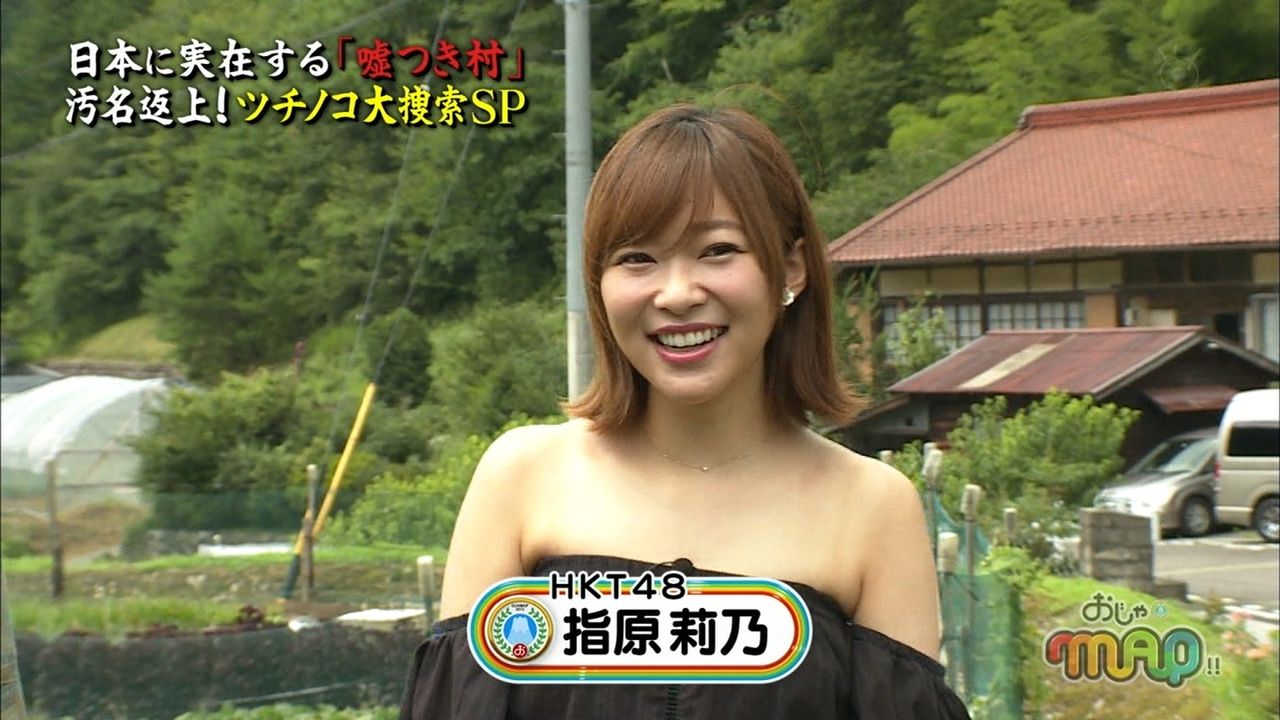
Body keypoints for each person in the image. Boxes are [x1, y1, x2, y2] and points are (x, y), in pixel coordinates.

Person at [400, 104, 971, 719]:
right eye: (637, 258)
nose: (676, 294)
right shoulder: (523, 476)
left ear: (792, 267)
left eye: (718, 250)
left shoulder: (872, 505)